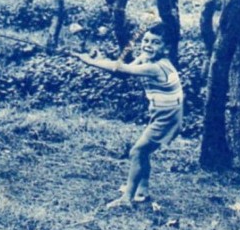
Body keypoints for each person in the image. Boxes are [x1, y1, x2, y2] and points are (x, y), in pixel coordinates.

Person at [74, 24, 182, 209]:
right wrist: (100, 59)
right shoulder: (146, 58)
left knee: (137, 152)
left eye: (155, 43)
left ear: (166, 48)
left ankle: (127, 199)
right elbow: (123, 70)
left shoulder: (157, 67)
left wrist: (88, 61)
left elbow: (122, 69)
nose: (148, 45)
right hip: (163, 113)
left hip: (167, 116)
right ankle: (143, 191)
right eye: (145, 40)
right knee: (144, 152)